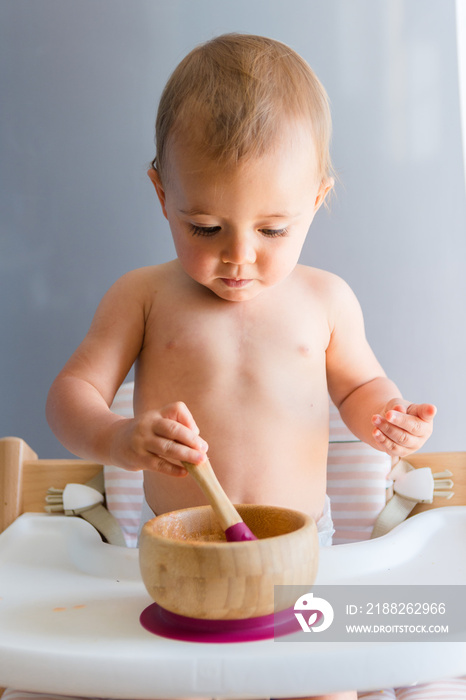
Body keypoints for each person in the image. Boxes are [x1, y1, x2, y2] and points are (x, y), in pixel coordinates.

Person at [46, 33, 436, 700]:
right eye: (205, 227)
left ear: (317, 198)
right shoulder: (142, 296)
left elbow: (361, 388)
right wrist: (116, 438)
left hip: (300, 556)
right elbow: (70, 394)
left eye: (272, 230)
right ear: (162, 192)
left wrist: (387, 419)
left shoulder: (326, 300)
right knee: (159, 681)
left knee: (327, 684)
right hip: (180, 560)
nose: (239, 258)